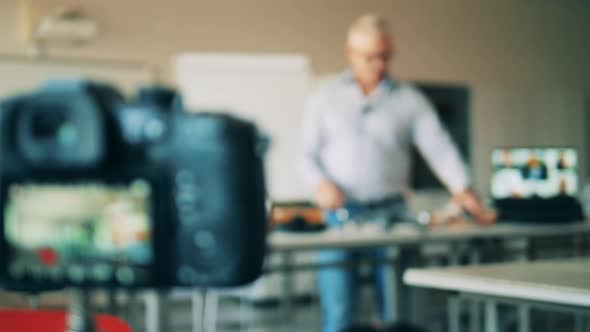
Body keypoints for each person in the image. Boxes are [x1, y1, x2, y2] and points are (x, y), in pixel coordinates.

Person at [300, 14, 495, 332]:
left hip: (392, 215)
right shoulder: (325, 97)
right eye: (370, 57)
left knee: (398, 315)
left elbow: (439, 147)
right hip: (340, 216)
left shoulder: (409, 99)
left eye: (385, 56)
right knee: (338, 315)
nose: (379, 64)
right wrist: (320, 184)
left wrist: (464, 187)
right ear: (350, 53)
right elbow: (305, 156)